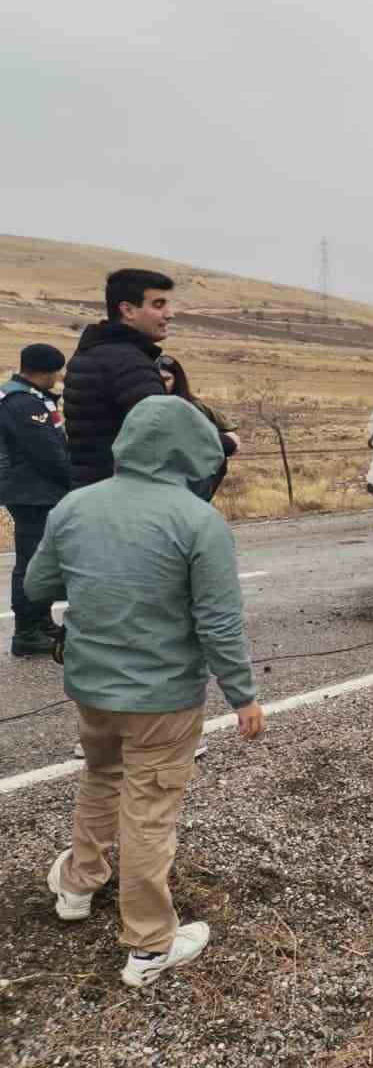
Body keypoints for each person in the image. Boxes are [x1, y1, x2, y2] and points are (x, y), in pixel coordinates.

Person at [26, 396, 264, 988]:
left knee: (101, 778)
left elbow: (37, 584)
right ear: (192, 448)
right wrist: (243, 695)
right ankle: (150, 944)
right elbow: (218, 623)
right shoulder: (198, 521)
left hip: (90, 687)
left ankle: (78, 887)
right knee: (150, 811)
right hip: (163, 699)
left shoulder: (74, 506)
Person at [65, 269, 173, 489]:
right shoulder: (129, 362)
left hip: (91, 490)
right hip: (126, 493)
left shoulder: (92, 350)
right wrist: (224, 442)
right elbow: (161, 435)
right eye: (158, 305)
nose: (169, 314)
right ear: (128, 310)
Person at [1, 344, 70, 656]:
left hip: (34, 490)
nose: (58, 377)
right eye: (56, 371)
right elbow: (48, 453)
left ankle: (40, 621)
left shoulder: (23, 397)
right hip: (32, 493)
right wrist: (75, 480)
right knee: (32, 562)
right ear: (44, 371)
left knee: (41, 559)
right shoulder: (23, 403)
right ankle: (27, 631)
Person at [157, 354, 241, 499]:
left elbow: (230, 435)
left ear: (178, 380)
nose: (161, 384)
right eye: (157, 379)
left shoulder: (194, 406)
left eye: (166, 379)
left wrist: (226, 442)